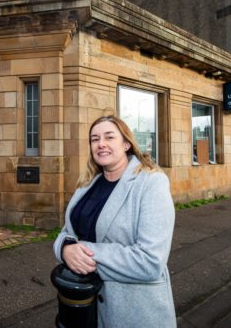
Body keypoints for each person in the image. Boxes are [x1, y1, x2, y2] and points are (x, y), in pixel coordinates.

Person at [53, 115, 176, 327]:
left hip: (134, 312)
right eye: (94, 139)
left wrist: (81, 250)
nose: (101, 144)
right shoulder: (88, 184)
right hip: (86, 310)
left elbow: (150, 261)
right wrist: (64, 248)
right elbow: (67, 233)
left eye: (109, 137)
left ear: (126, 144)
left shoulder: (151, 182)